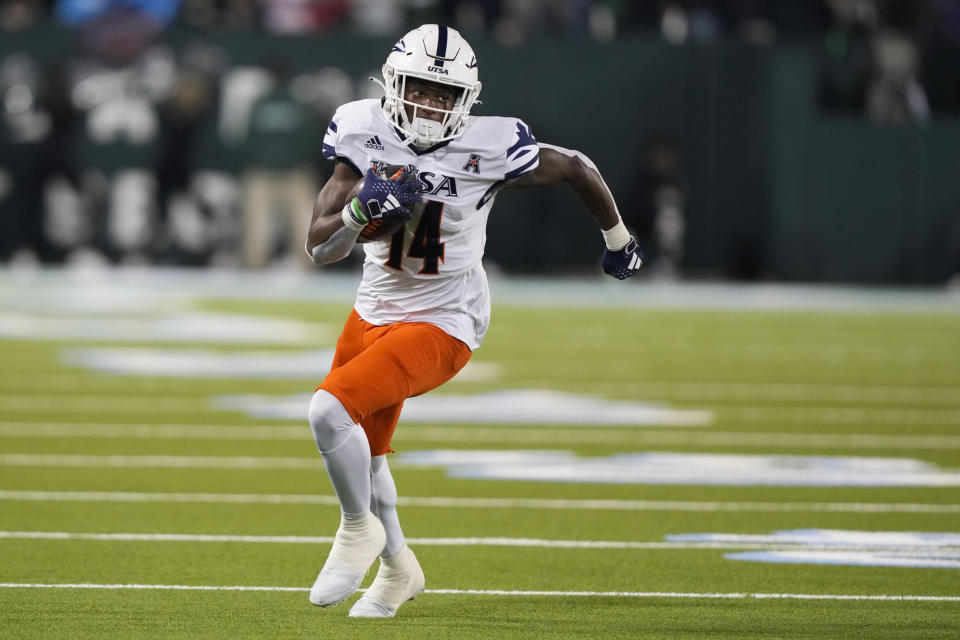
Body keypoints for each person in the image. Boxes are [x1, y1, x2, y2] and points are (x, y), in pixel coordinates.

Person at [304, 23, 643, 619]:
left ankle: (359, 530)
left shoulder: (491, 142)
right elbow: (320, 250)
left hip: (444, 317)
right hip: (373, 305)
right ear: (392, 83)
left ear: (467, 100)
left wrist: (618, 238)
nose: (429, 104)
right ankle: (398, 568)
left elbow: (573, 166)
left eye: (444, 94)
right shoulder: (361, 128)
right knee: (371, 456)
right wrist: (360, 211)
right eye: (419, 88)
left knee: (329, 412)